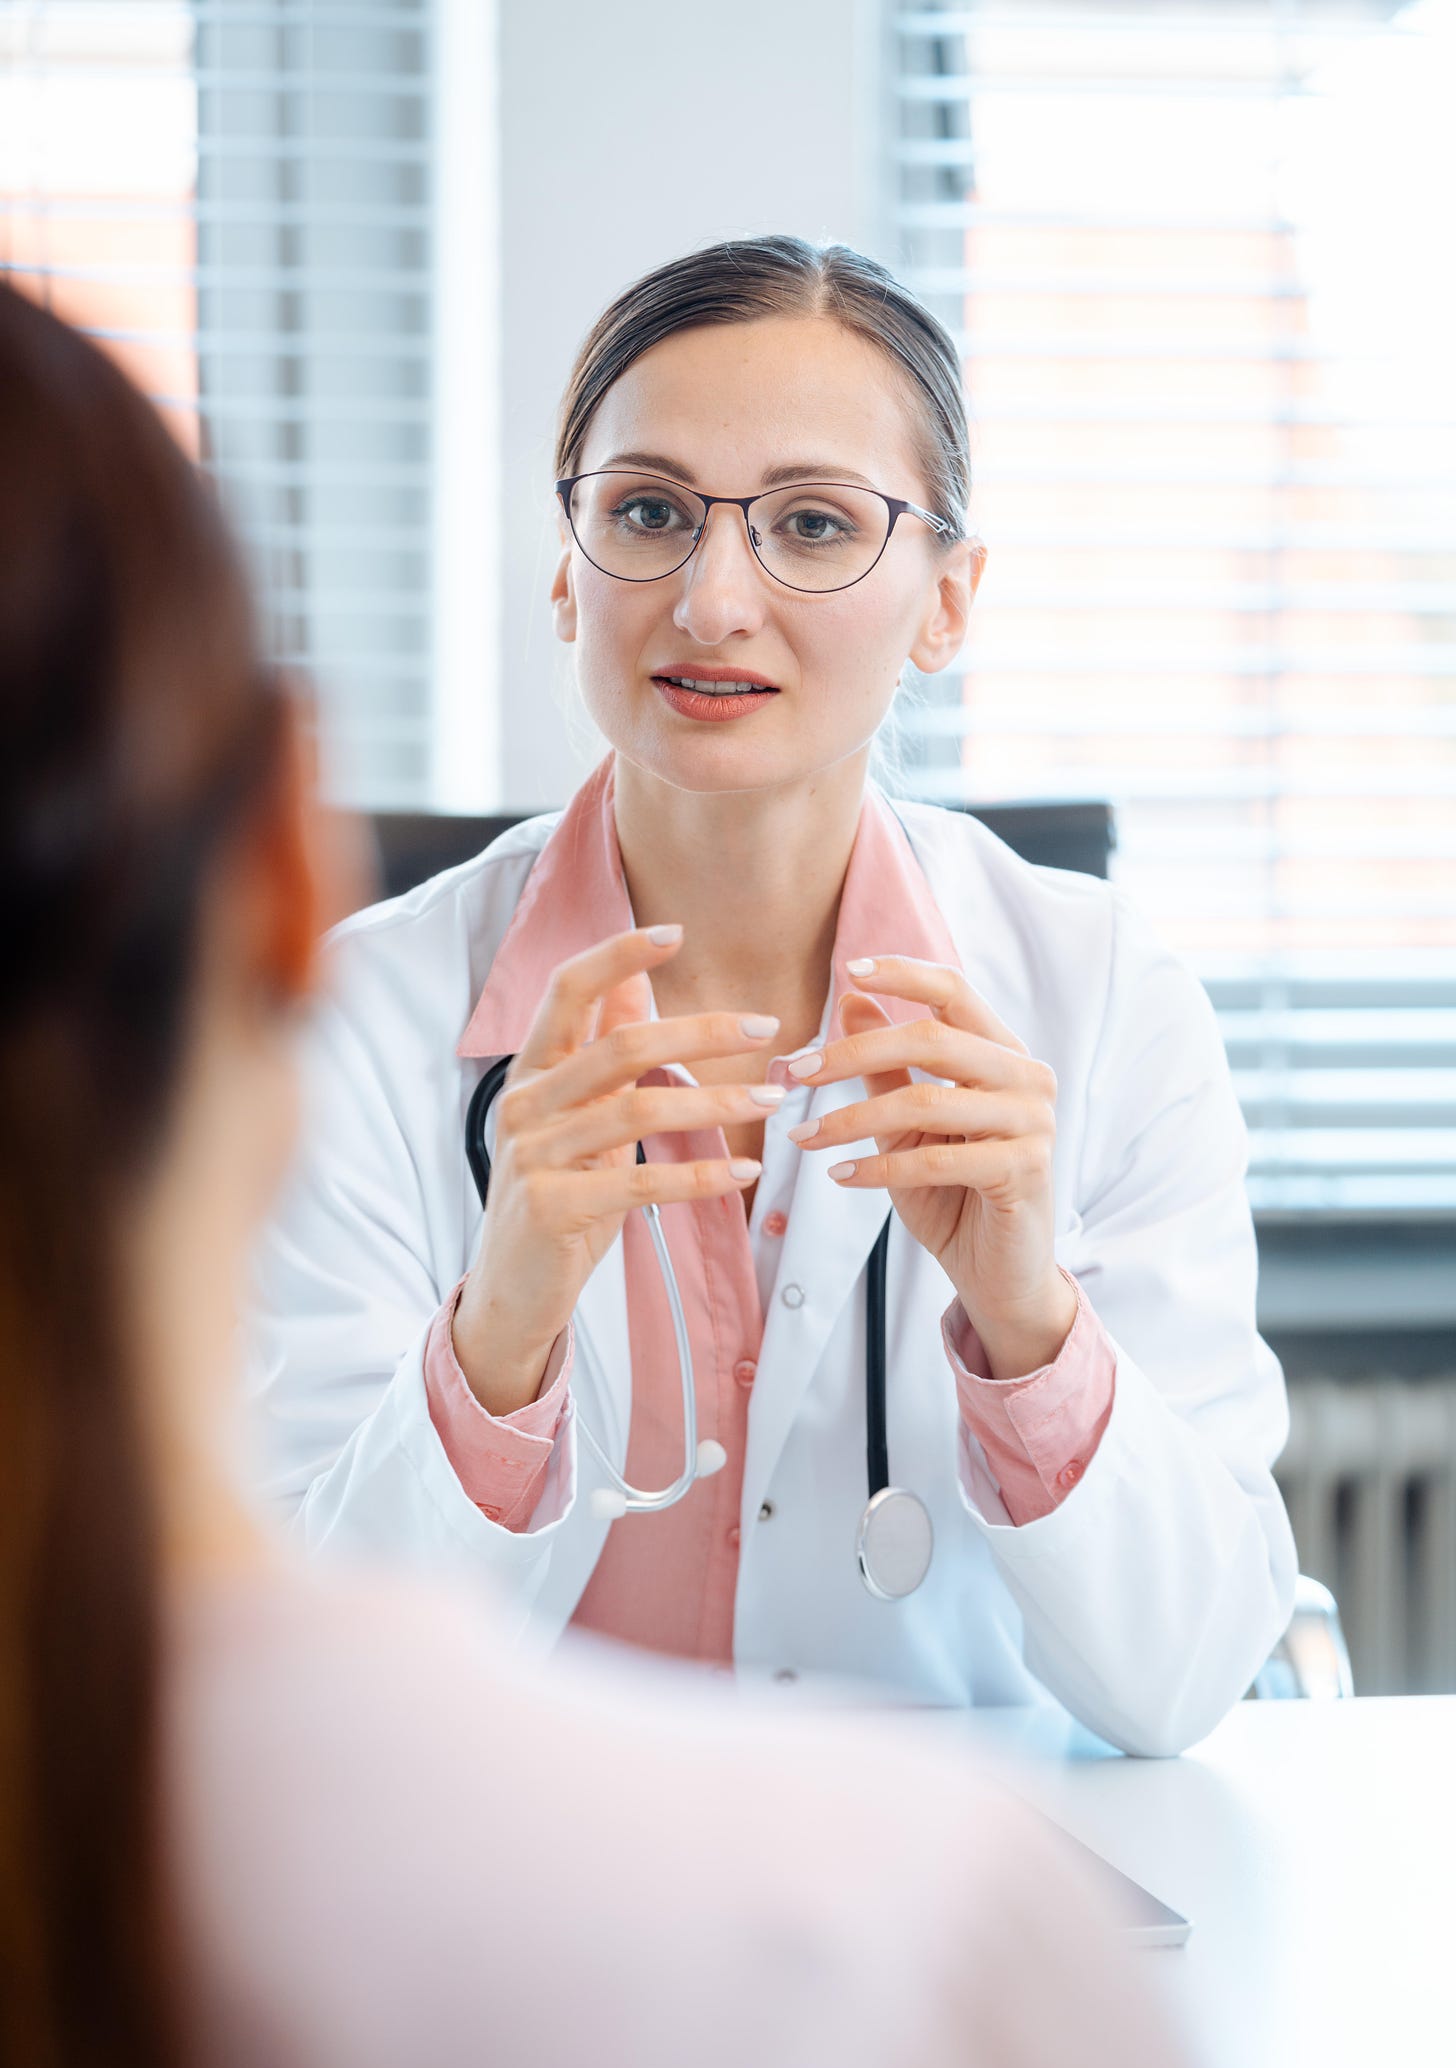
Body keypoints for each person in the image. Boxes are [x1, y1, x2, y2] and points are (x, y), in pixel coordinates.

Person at [250, 234, 1295, 1757]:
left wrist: (1027, 1316)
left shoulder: (1109, 1002)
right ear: (565, 572)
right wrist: (504, 1328)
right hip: (502, 1906)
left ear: (948, 602)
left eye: (813, 524)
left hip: (937, 1911)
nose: (714, 597)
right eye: (651, 513)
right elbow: (306, 1699)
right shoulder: (353, 1020)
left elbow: (1183, 1681)